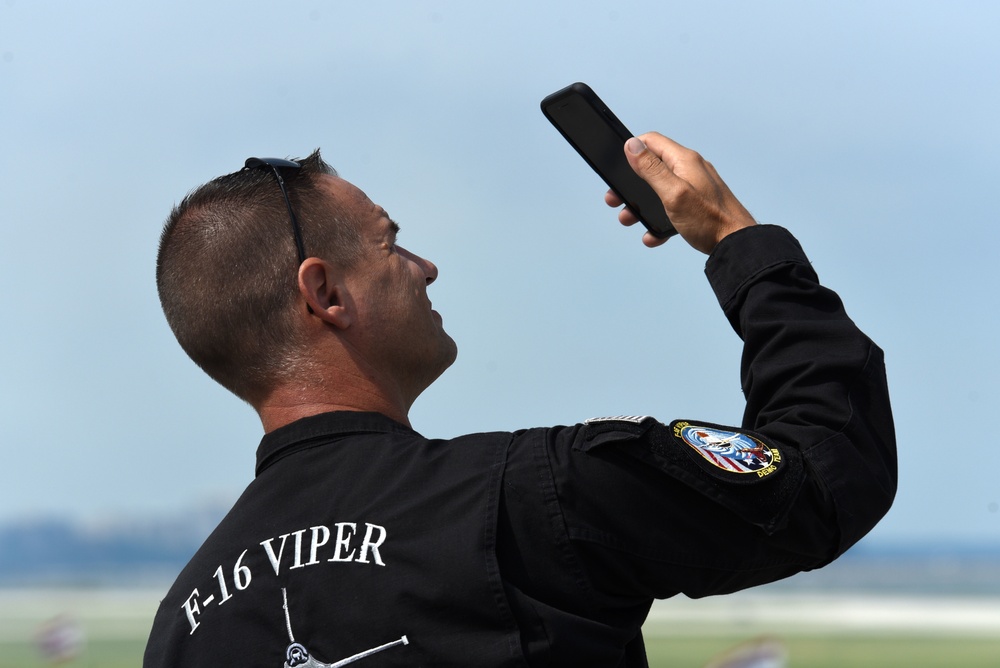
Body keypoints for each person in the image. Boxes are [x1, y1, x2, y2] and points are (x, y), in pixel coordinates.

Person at [144, 132, 896, 667]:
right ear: (325, 291)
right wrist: (739, 240)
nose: (425, 267)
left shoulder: (181, 629)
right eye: (390, 244)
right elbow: (827, 474)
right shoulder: (531, 497)